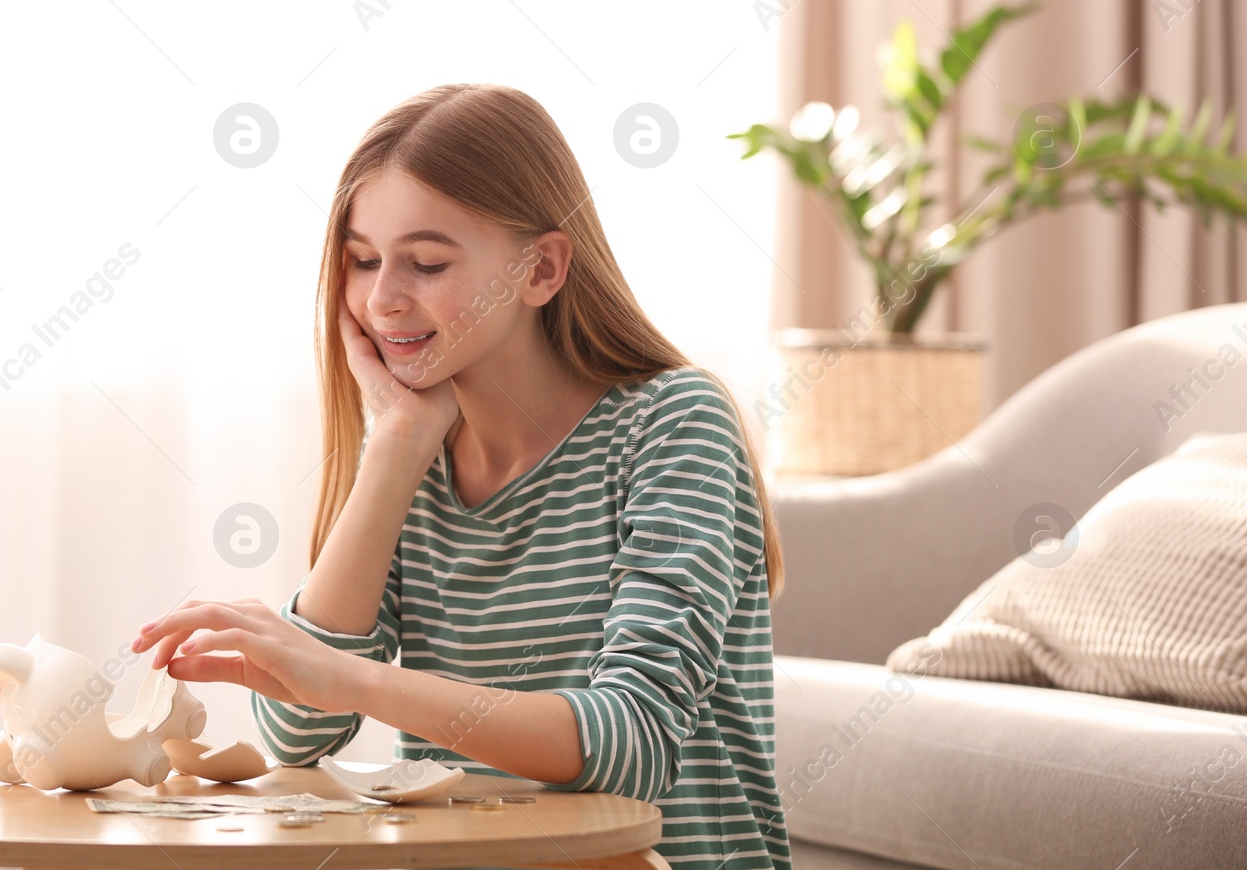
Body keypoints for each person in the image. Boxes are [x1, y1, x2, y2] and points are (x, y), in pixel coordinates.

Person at [132, 83, 791, 869]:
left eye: (427, 262)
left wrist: (349, 678)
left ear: (542, 268)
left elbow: (636, 740)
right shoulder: (417, 460)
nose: (382, 300)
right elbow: (299, 732)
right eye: (363, 261)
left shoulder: (674, 423)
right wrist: (396, 448)